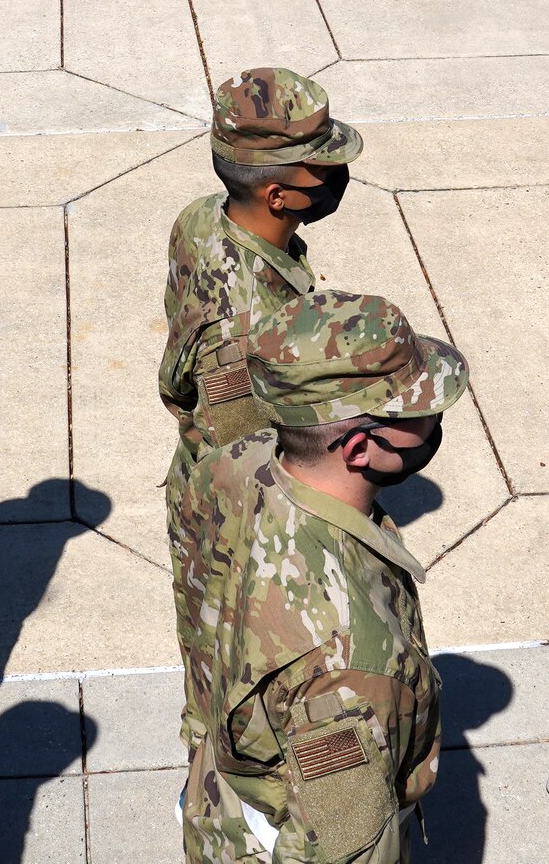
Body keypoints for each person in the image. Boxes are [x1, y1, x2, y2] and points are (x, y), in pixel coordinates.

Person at [184, 290, 464, 864]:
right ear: (360, 447)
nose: (434, 418)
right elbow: (345, 847)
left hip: (222, 784)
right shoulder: (352, 664)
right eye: (419, 410)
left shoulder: (229, 465)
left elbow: (198, 612)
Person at [162, 67, 362, 779]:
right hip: (235, 527)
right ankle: (215, 799)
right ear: (278, 194)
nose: (337, 178)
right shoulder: (244, 321)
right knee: (233, 674)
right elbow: (245, 453)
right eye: (325, 169)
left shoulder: (202, 219)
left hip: (215, 493)